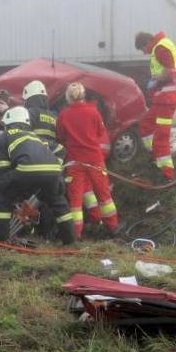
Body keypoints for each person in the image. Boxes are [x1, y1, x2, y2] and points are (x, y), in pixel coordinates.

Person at [0, 106, 74, 244]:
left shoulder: (4, 137)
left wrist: (4, 186)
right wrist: (55, 171)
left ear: (8, 123)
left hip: (26, 168)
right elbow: (60, 149)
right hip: (53, 171)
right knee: (57, 200)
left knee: (0, 192)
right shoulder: (35, 136)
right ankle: (70, 239)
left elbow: (2, 169)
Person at [56, 82, 120, 240]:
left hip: (75, 162)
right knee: (104, 195)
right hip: (95, 160)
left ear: (68, 97)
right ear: (83, 95)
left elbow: (61, 137)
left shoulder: (63, 115)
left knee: (75, 201)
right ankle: (112, 227)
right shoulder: (93, 112)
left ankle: (75, 234)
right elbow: (100, 132)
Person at [134, 31, 176, 182]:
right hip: (163, 98)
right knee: (146, 124)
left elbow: (170, 72)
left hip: (166, 98)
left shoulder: (160, 48)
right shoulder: (161, 46)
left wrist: (156, 79)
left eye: (143, 49)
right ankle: (155, 157)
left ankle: (167, 174)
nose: (144, 52)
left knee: (161, 136)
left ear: (146, 43)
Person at [23, 80, 65, 160]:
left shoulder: (30, 113)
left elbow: (20, 133)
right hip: (52, 154)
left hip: (33, 154)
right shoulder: (54, 116)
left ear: (29, 99)